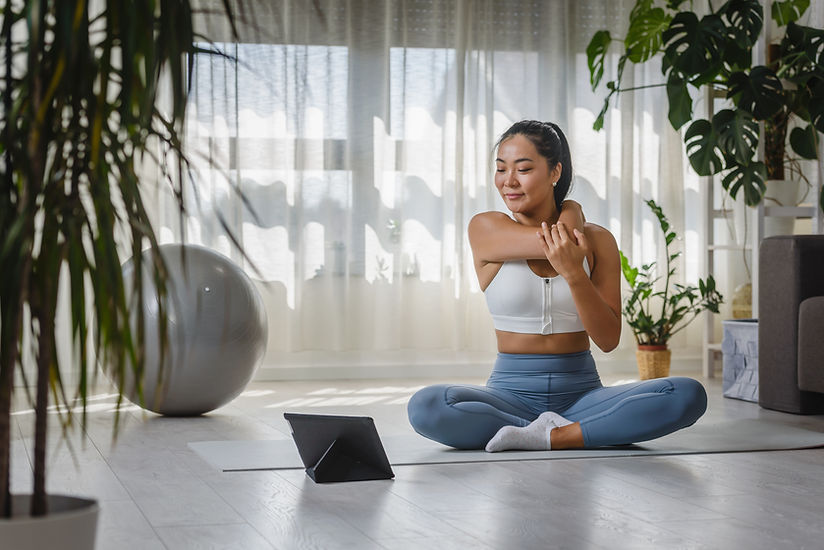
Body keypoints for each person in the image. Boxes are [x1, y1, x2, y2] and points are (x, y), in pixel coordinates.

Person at [407, 120, 707, 451]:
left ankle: (545, 436)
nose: (508, 181)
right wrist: (572, 209)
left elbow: (607, 340)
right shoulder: (486, 228)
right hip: (508, 396)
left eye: (523, 169)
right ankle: (581, 433)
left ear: (554, 173)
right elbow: (557, 240)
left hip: (583, 395)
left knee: (687, 395)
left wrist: (575, 275)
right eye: (501, 169)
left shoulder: (599, 241)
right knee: (427, 406)